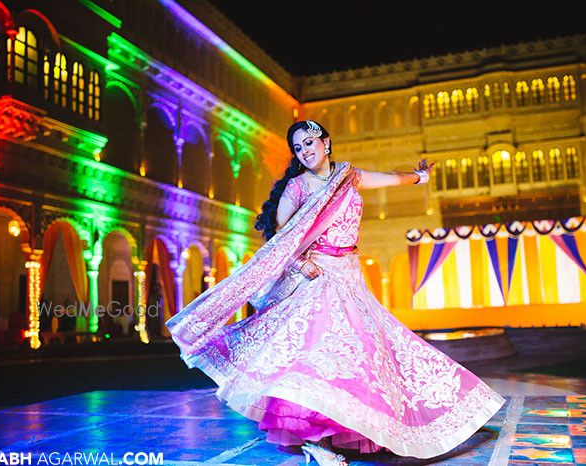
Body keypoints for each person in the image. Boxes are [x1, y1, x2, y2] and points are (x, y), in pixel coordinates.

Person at [166, 120, 506, 466]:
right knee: (320, 355)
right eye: (298, 148)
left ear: (326, 142)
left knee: (365, 353)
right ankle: (316, 442)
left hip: (350, 276)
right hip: (318, 277)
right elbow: (279, 237)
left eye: (310, 142)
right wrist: (301, 264)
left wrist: (418, 178)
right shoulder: (297, 187)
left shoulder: (348, 176)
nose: (305, 151)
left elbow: (387, 176)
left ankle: (365, 426)